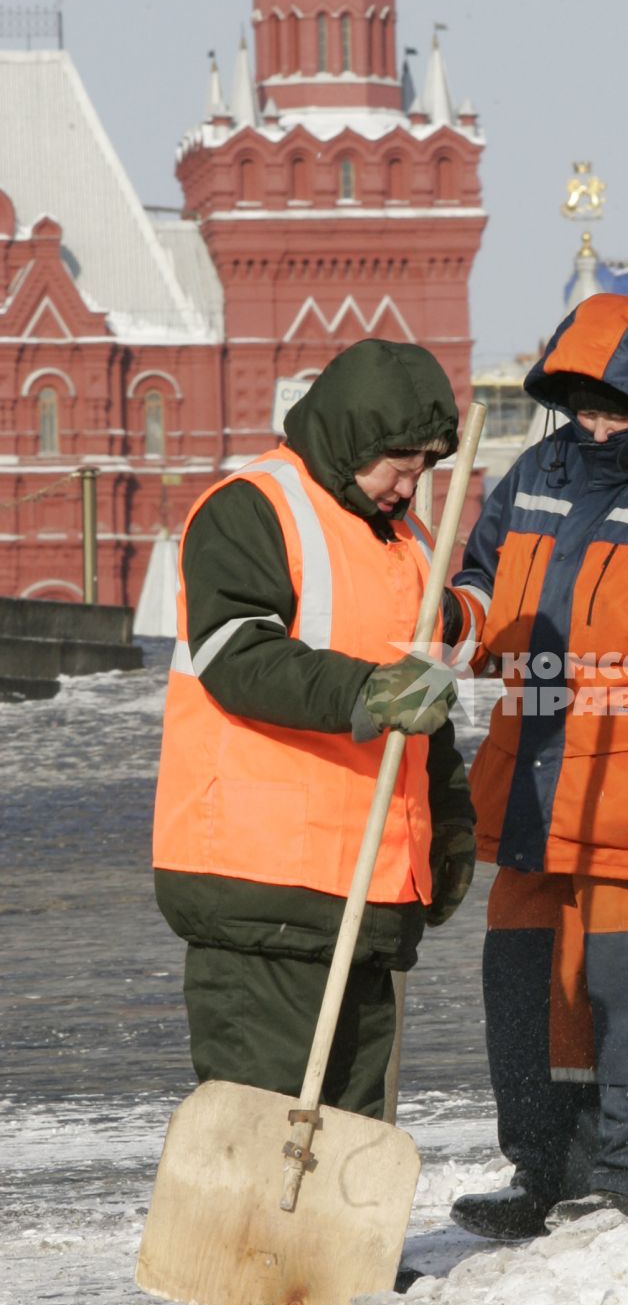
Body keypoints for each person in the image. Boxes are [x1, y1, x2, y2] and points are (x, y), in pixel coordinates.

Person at [444, 292, 628, 1239]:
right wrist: (456, 619)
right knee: (531, 995)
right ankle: (547, 1172)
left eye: (613, 404)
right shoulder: (539, 469)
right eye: (579, 403)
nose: (595, 422)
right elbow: (486, 583)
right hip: (535, 782)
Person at [152, 338, 476, 1124]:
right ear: (351, 438)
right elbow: (240, 655)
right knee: (259, 1122)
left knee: (353, 1119)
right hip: (260, 882)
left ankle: (341, 1255)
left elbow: (426, 698)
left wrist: (448, 819)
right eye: (397, 464)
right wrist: (368, 690)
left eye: (425, 465)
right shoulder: (253, 508)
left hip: (366, 888)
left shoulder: (410, 546)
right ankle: (254, 1253)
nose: (409, 484)